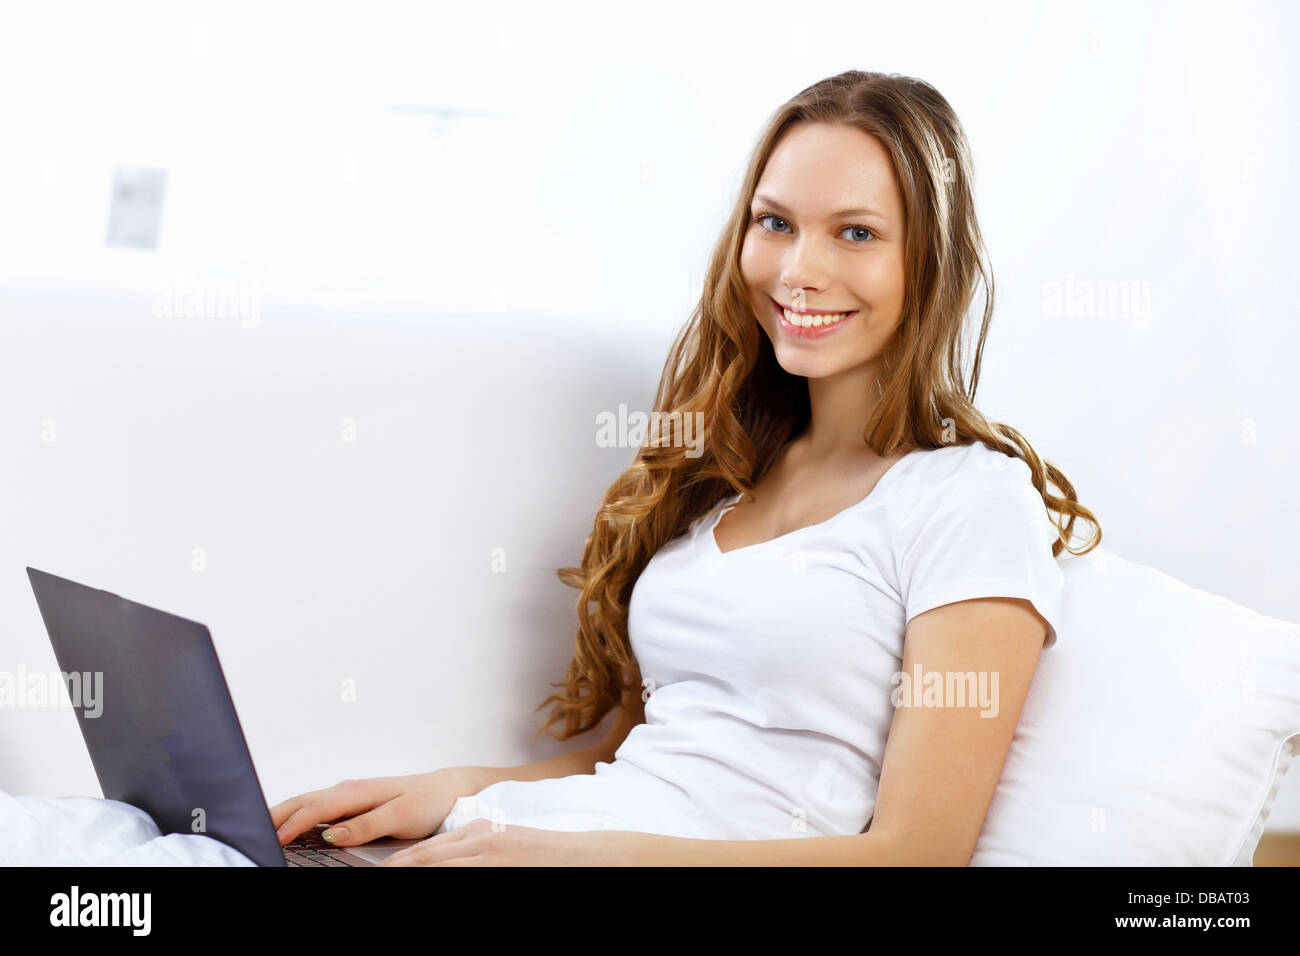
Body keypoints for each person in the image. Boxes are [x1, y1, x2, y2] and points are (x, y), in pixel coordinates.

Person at [271, 69, 1102, 866]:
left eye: (856, 232)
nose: (797, 270)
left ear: (930, 262)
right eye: (774, 222)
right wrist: (452, 793)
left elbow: (915, 856)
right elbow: (635, 766)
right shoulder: (722, 475)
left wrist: (585, 860)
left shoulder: (970, 502)